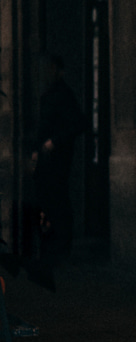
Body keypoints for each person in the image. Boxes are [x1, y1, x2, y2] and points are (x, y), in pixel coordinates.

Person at [27, 54, 86, 290]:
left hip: (58, 159)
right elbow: (42, 125)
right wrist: (36, 150)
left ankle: (61, 249)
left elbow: (78, 124)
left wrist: (55, 142)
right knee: (45, 201)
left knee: (57, 201)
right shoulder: (48, 94)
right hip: (45, 158)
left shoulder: (64, 94)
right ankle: (49, 249)